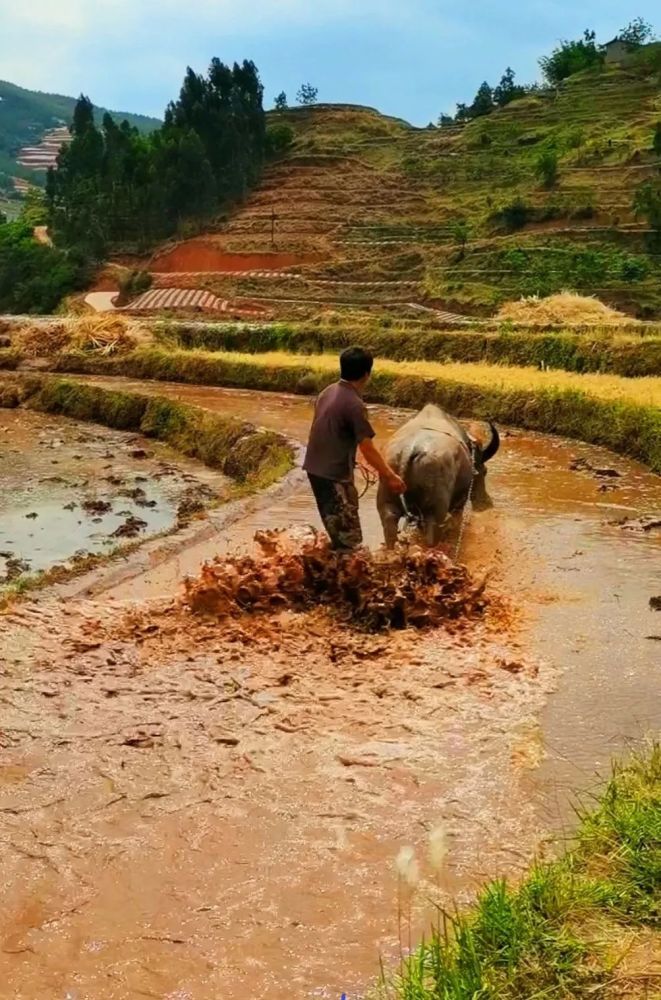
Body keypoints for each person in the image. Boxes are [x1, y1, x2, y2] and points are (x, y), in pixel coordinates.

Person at [303, 346, 406, 550]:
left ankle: (334, 556)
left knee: (344, 518)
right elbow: (368, 449)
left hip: (317, 468)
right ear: (367, 374)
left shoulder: (328, 391)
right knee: (349, 539)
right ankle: (343, 563)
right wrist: (390, 476)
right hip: (331, 475)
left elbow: (328, 430)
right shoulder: (354, 404)